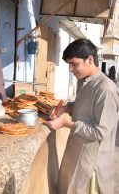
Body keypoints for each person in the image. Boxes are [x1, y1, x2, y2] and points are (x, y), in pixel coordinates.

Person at [44, 39, 119, 194]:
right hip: (76, 151)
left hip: (91, 162)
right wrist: (65, 107)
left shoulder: (106, 90)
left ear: (90, 59)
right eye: (69, 65)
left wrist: (67, 123)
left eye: (74, 64)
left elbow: (100, 133)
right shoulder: (83, 81)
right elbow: (83, 104)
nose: (71, 69)